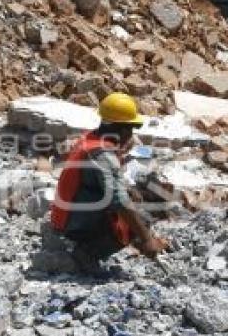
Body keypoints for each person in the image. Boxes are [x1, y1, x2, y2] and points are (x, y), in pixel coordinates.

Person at [50, 92, 165, 271]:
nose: (131, 134)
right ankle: (87, 253)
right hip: (72, 223)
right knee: (137, 218)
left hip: (67, 213)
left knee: (135, 198)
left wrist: (127, 190)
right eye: (130, 129)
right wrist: (146, 238)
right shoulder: (102, 154)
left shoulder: (91, 139)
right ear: (123, 129)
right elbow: (119, 202)